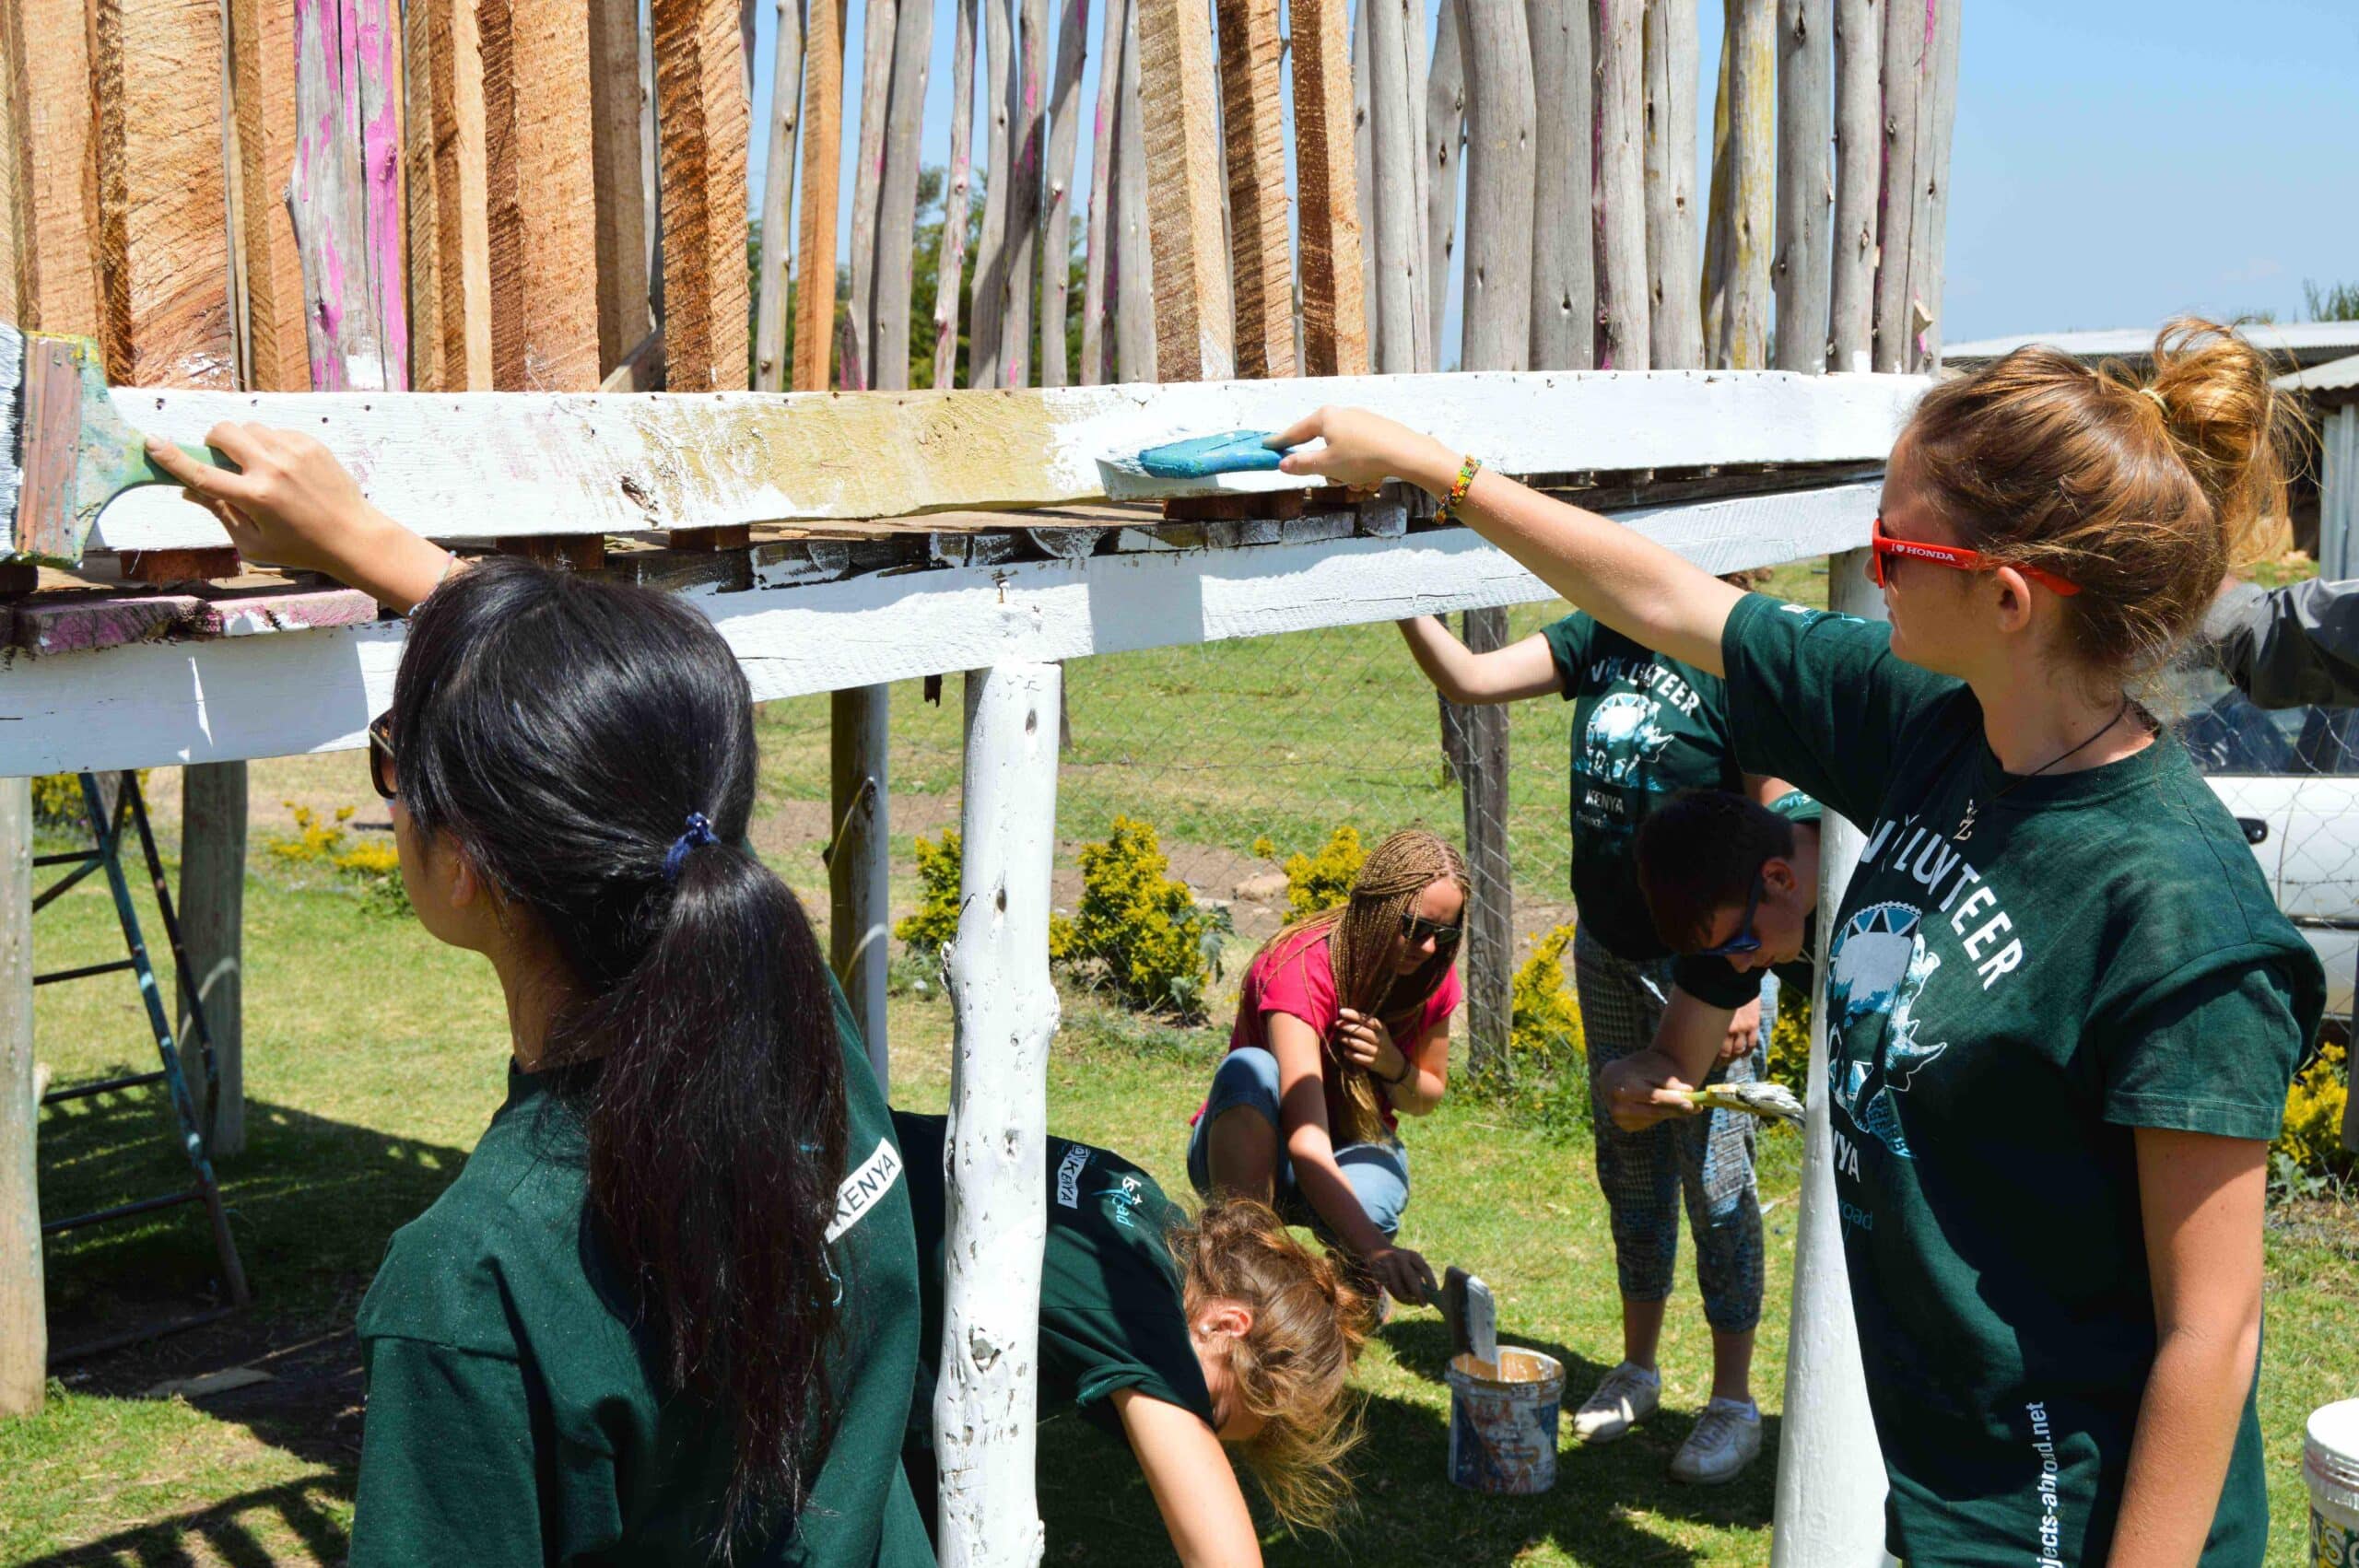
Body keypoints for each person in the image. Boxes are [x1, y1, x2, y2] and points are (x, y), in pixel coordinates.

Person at [1263, 317, 2325, 1564]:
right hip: (1944, 1480)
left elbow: (2216, 1332)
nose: (1871, 574)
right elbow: (1667, 598)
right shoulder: (1931, 723)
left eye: (1891, 547)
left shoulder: (2174, 912)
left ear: (2007, 597)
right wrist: (1439, 471)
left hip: (2076, 1526)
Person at [147, 428, 933, 1566]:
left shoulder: (478, 1283)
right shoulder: (796, 1025)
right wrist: (371, 543)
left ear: (461, 858)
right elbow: (629, 751)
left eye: (390, 758)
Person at [1395, 616, 1791, 1482]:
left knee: (1717, 1177)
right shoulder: (1600, 634)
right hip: (1608, 947)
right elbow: (1467, 676)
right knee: (1629, 1161)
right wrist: (1403, 587)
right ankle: (1639, 1368)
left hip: (1704, 959)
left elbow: (1776, 826)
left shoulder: (1735, 653)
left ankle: (1732, 1403)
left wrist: (1745, 979)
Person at [894, 1113, 1362, 1567]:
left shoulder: (1150, 1213)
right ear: (1225, 1325)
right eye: (1210, 1412)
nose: (1192, 1429)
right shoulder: (1139, 1311)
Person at [1187, 829, 1463, 1313]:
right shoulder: (1299, 967)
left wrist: (1391, 1064)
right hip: (1257, 1147)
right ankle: (1241, 1264)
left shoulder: (1431, 979)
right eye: (1414, 928)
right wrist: (1378, 1248)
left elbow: (1425, 1098)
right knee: (1250, 1069)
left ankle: (1350, 1291)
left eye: (1444, 936)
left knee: (1374, 1196)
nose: (1426, 949)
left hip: (1349, 1146)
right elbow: (1306, 1141)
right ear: (1375, 908)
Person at [1607, 789, 1825, 1128]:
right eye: (1721, 953)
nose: (1739, 964)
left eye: (1744, 941)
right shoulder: (1733, 898)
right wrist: (1623, 1080)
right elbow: (1675, 1064)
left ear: (1779, 879)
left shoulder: (1882, 861)